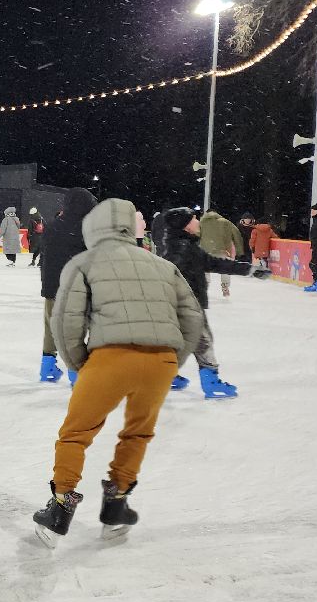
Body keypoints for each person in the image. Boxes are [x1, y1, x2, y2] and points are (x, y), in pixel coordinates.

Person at [33, 198, 204, 546]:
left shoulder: (83, 262)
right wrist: (172, 360)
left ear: (93, 228)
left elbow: (65, 321)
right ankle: (116, 506)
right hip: (160, 362)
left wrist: (81, 363)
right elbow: (192, 317)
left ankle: (60, 509)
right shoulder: (162, 265)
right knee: (138, 433)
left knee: (76, 433)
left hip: (110, 359)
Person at [161, 208, 268, 398]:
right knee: (203, 341)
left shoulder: (184, 246)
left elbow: (215, 263)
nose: (198, 222)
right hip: (189, 305)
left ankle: (166, 375)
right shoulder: (182, 250)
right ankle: (210, 382)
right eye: (194, 219)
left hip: (184, 304)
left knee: (180, 341)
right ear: (185, 226)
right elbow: (169, 277)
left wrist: (249, 270)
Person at [36, 188, 97, 384]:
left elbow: (45, 257)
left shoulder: (53, 226)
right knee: (77, 328)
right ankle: (75, 371)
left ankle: (47, 366)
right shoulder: (88, 229)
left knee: (51, 325)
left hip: (52, 286)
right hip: (77, 287)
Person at [198, 208, 245, 298]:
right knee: (225, 268)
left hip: (205, 250)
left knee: (204, 269)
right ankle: (225, 286)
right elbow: (236, 234)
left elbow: (195, 235)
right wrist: (239, 251)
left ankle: (205, 285)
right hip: (221, 250)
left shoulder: (201, 223)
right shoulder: (225, 222)